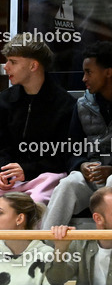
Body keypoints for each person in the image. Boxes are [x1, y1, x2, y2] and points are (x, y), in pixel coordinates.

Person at [0, 35, 76, 233]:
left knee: (36, 203)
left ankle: (33, 261)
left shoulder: (65, 105)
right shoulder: (3, 101)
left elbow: (65, 155)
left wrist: (26, 169)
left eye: (13, 62)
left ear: (33, 66)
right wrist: (0, 171)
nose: (5, 67)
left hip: (44, 176)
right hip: (7, 177)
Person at [42, 41, 112, 229]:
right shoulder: (82, 105)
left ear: (108, 72)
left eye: (89, 72)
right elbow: (71, 149)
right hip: (93, 177)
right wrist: (82, 165)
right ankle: (42, 250)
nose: (83, 78)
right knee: (68, 184)